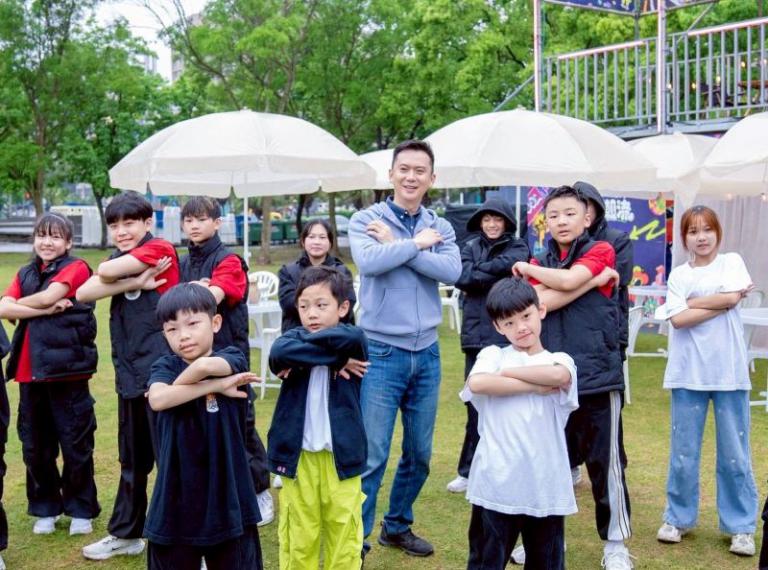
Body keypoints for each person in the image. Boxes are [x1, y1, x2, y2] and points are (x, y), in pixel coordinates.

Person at [349, 139, 461, 558]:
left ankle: (396, 526)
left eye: (420, 171)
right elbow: (369, 262)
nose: (411, 177)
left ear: (432, 178)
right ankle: (355, 542)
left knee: (419, 453)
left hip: (427, 353)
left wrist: (397, 244)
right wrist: (415, 243)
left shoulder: (440, 226)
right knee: (373, 455)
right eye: (404, 169)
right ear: (391, 174)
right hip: (381, 352)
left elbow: (452, 270)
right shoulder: (366, 219)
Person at [512, 185, 632, 570]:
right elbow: (539, 304)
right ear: (545, 222)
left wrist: (533, 272)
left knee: (605, 465)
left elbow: (560, 286)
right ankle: (546, 541)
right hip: (552, 377)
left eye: (570, 213)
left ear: (587, 218)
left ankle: (615, 544)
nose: (562, 221)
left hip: (598, 374)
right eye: (554, 215)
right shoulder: (542, 257)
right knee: (549, 464)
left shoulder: (602, 250)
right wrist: (592, 282)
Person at [77, 191, 180, 561]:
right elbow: (84, 291)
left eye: (129, 223)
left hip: (164, 375)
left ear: (147, 223)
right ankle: (127, 534)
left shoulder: (160, 248)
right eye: (114, 225)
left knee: (173, 461)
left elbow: (103, 274)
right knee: (132, 461)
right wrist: (135, 283)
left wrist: (125, 277)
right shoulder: (121, 259)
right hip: (130, 374)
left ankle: (186, 539)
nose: (121, 231)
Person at [655, 205, 758, 557]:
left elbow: (728, 299)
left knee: (735, 454)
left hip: (729, 372)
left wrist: (693, 304)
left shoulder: (732, 262)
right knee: (683, 452)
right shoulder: (679, 275)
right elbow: (678, 321)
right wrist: (723, 302)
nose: (701, 237)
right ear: (684, 237)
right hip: (687, 372)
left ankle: (741, 527)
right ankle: (677, 518)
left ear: (717, 232)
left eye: (707, 229)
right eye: (693, 231)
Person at [145, 283, 263, 569]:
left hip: (228, 494)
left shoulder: (232, 358)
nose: (183, 336)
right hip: (176, 496)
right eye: (172, 329)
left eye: (192, 324)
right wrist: (216, 386)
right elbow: (158, 400)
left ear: (216, 322)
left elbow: (202, 367)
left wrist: (181, 389)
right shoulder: (164, 366)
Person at [463, 277, 578, 569]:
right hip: (496, 482)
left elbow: (558, 376)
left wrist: (507, 374)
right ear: (498, 327)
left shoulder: (559, 359)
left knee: (546, 562)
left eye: (526, 316)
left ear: (541, 310)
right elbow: (478, 383)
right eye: (510, 323)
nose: (521, 327)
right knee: (486, 561)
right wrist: (534, 387)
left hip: (545, 485)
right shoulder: (492, 355)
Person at [0, 213, 98, 539]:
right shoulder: (25, 272)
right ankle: (45, 508)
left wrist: (27, 306)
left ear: (68, 242)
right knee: (35, 447)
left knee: (76, 444)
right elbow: (4, 308)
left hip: (68, 373)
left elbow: (48, 296)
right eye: (42, 235)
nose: (47, 242)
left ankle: (81, 509)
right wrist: (42, 311)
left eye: (55, 236)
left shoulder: (77, 267)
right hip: (29, 376)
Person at [179, 196, 274, 526]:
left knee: (241, 426)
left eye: (201, 219)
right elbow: (173, 303)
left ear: (217, 223)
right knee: (204, 427)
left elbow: (209, 299)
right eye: (188, 220)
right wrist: (198, 287)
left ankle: (260, 491)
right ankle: (219, 496)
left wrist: (198, 290)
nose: (194, 225)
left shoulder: (229, 260)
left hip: (228, 353)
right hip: (192, 357)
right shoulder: (183, 261)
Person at [267, 265, 369, 569]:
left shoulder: (353, 339)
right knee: (300, 535)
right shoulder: (291, 339)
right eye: (304, 306)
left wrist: (306, 356)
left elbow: (352, 338)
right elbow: (278, 353)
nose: (312, 314)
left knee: (344, 533)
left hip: (342, 455)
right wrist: (337, 360)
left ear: (343, 308)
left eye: (322, 305)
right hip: (298, 456)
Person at [446, 198, 530, 494]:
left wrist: (481, 271)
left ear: (506, 222)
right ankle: (468, 470)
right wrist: (493, 272)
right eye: (486, 219)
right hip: (476, 336)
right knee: (475, 405)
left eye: (497, 219)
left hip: (509, 336)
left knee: (511, 406)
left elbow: (509, 267)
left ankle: (509, 469)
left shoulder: (518, 246)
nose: (492, 224)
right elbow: (462, 278)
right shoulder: (469, 247)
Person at [569, 181, 633, 486]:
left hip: (607, 332)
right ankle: (571, 462)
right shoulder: (562, 244)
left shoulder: (615, 240)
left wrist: (572, 283)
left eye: (586, 205)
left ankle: (613, 465)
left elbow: (617, 279)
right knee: (569, 404)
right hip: (569, 332)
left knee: (606, 411)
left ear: (595, 209)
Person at [278, 218, 356, 332]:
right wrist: (322, 303)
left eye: (322, 237)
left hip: (335, 334)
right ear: (303, 241)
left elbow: (349, 302)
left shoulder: (341, 271)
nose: (316, 242)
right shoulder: (289, 271)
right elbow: (287, 304)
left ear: (330, 242)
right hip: (298, 334)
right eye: (311, 237)